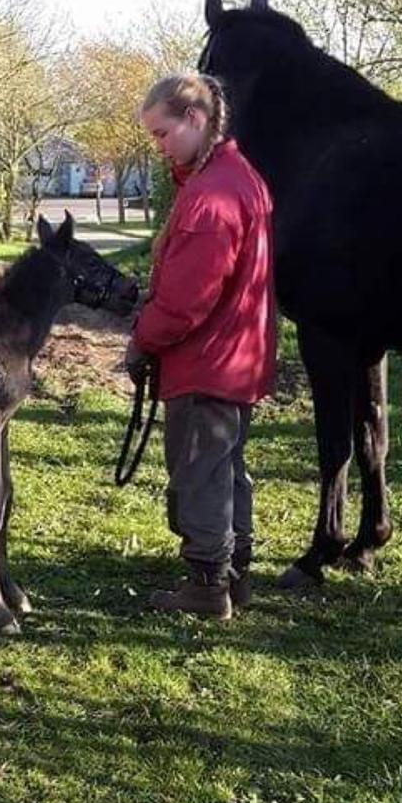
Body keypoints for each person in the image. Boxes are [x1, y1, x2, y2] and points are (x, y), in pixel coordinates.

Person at [125, 72, 276, 619]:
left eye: (162, 134)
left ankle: (208, 587)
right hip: (237, 356)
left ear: (195, 119)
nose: (158, 146)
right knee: (227, 468)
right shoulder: (238, 178)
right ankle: (234, 577)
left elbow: (187, 302)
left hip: (208, 359)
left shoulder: (212, 198)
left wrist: (142, 338)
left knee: (201, 471)